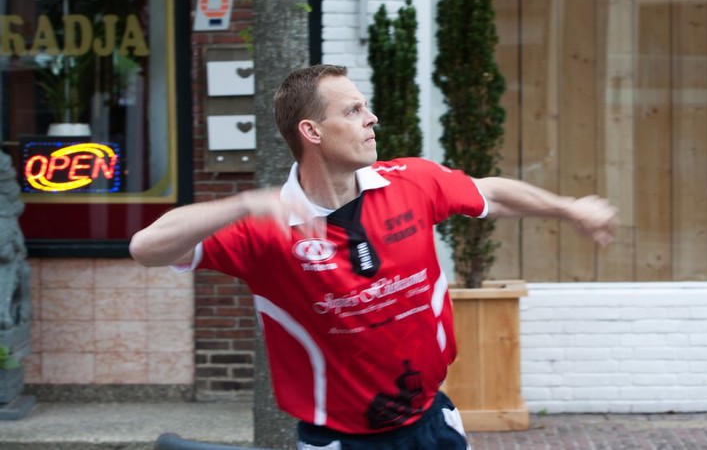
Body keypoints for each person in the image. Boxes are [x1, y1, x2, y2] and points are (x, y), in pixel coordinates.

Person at [129, 64, 617, 449]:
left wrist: (567, 208)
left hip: (433, 420)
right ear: (312, 131)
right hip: (340, 440)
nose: (372, 118)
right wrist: (238, 205)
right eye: (353, 110)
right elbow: (146, 248)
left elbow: (488, 193)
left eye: (366, 107)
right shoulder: (266, 226)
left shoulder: (411, 182)